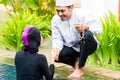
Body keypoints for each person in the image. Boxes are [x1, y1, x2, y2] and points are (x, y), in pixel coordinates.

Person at [51, 0, 102, 79]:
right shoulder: (55, 20)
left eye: (62, 11)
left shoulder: (83, 14)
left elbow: (99, 30)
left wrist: (86, 27)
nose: (60, 14)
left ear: (71, 8)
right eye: (57, 11)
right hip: (72, 48)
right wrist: (56, 49)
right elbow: (57, 38)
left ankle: (80, 68)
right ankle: (76, 62)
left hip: (88, 45)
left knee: (87, 34)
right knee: (57, 55)